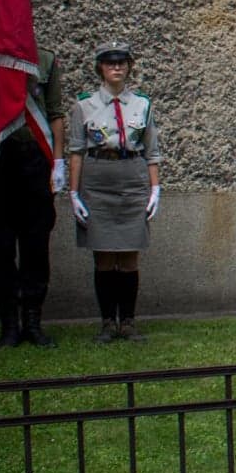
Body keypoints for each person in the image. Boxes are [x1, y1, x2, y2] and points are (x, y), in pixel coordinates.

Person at [66, 42, 161, 343]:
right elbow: (77, 151)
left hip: (131, 178)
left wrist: (155, 188)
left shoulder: (142, 105)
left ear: (129, 67)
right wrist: (73, 193)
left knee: (130, 255)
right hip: (98, 179)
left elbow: (152, 151)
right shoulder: (85, 105)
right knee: (104, 256)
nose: (117, 68)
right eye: (110, 63)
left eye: (122, 62)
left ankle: (128, 322)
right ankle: (108, 322)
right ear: (100, 69)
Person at [0, 45, 67, 348]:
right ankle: (9, 324)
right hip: (0, 162)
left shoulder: (44, 59)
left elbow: (54, 113)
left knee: (36, 244)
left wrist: (58, 161)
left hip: (35, 160)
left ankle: (33, 321)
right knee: (0, 246)